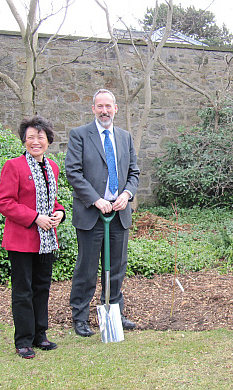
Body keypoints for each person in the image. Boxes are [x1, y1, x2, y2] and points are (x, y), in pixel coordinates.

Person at [66, 88, 140, 337]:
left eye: (109, 106)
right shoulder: (80, 135)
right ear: (93, 109)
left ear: (116, 109)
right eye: (100, 106)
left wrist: (126, 195)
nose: (105, 111)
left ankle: (114, 311)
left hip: (118, 214)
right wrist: (96, 200)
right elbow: (73, 173)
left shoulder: (125, 137)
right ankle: (80, 316)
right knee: (86, 268)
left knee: (117, 267)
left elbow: (134, 173)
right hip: (91, 214)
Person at [0, 116, 65, 359]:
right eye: (31, 137)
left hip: (47, 240)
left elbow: (53, 201)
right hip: (21, 240)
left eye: (40, 137)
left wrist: (59, 213)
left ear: (48, 140)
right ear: (24, 140)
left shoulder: (53, 168)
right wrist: (35, 217)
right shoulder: (13, 166)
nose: (36, 141)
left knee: (42, 288)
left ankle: (40, 335)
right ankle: (23, 340)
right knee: (23, 290)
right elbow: (4, 202)